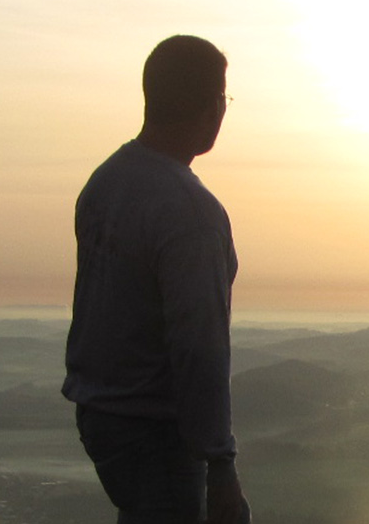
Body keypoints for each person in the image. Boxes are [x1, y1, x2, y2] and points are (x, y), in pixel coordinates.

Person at [63, 35, 249, 524]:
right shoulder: (191, 213)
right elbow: (200, 345)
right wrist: (221, 464)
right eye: (224, 99)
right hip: (155, 429)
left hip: (102, 415)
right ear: (212, 106)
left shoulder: (106, 183)